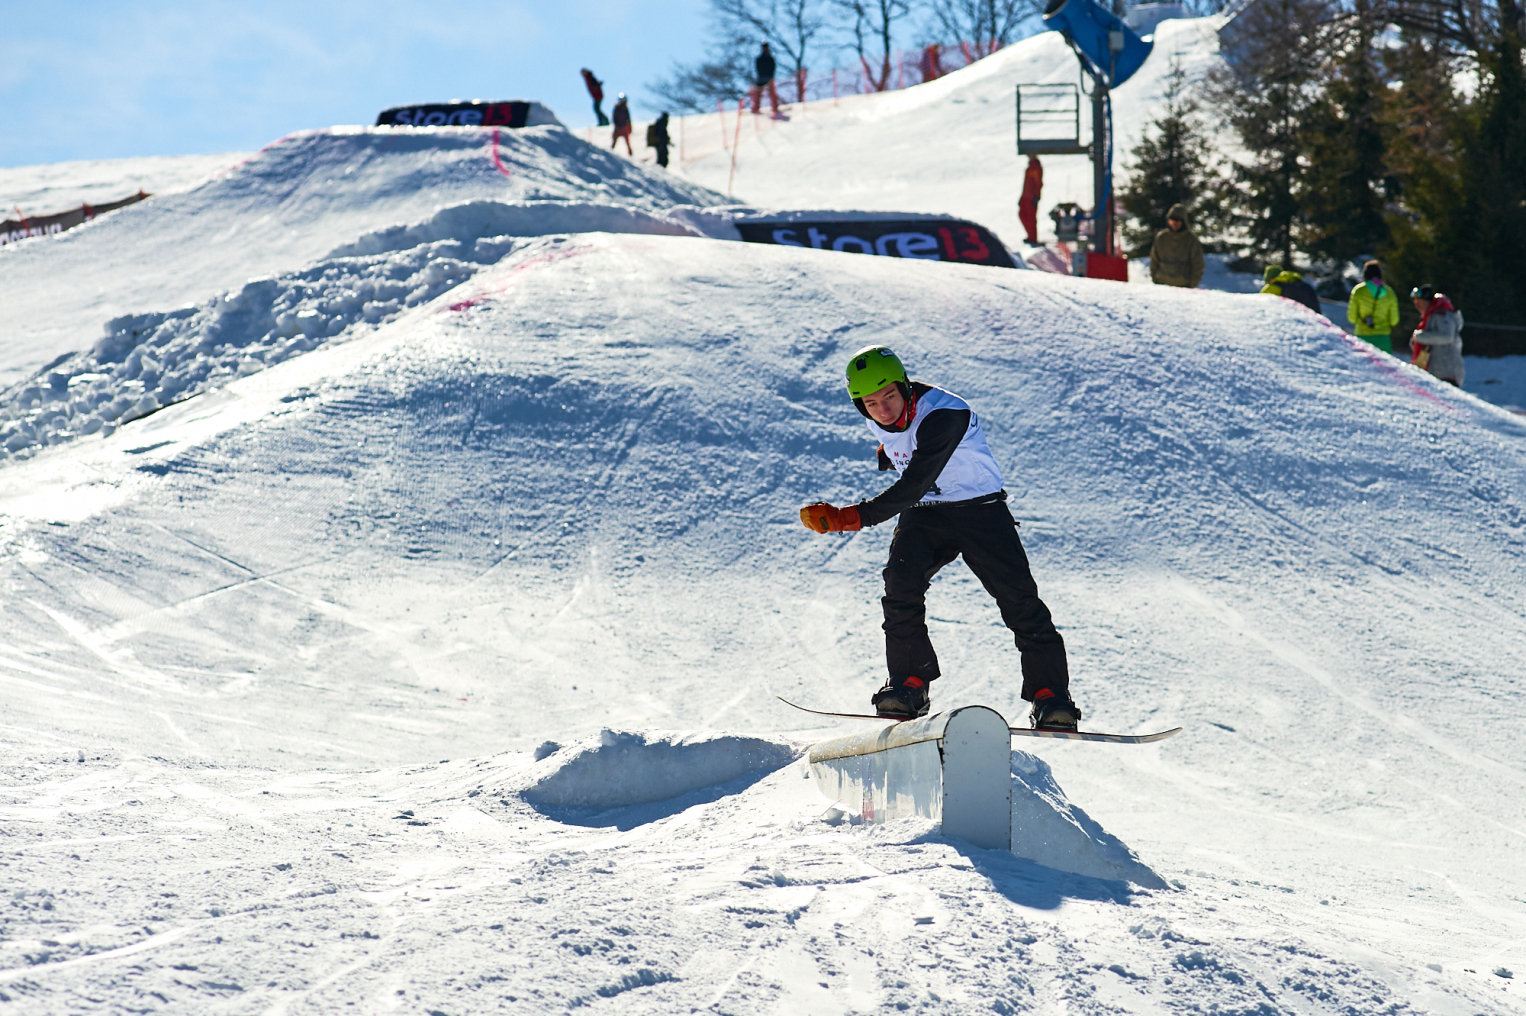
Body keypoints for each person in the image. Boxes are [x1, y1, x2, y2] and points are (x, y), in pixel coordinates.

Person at [798, 346, 1079, 730]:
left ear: (906, 387)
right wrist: (889, 451)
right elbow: (902, 449)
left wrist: (850, 517)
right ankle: (909, 685)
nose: (883, 410)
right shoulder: (879, 417)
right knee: (900, 587)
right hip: (928, 515)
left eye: (890, 397)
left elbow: (914, 483)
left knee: (1018, 599)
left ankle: (1051, 698)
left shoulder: (945, 415)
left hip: (981, 510)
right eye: (871, 403)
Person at [1409, 284, 1465, 385]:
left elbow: (1447, 337)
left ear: (1427, 301)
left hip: (1447, 372)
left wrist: (1420, 337)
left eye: (1419, 302)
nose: (1416, 305)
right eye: (1415, 302)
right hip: (1435, 372)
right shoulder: (1428, 318)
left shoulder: (1441, 315)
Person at [1346, 260, 1400, 351]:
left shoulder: (1358, 291)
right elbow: (1394, 321)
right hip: (1383, 339)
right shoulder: (1389, 292)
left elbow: (1351, 318)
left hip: (1362, 338)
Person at [1147, 203, 1205, 288]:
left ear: (1183, 222)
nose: (1174, 224)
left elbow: (1198, 264)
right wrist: (1155, 279)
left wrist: (1192, 284)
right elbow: (1154, 260)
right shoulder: (1161, 238)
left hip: (1183, 287)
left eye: (1177, 221)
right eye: (1172, 221)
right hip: (1162, 285)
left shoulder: (1191, 240)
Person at [1018, 155, 1043, 247]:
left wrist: (1036, 195)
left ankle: (1033, 238)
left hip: (1031, 197)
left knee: (1031, 218)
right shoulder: (1030, 167)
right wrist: (1022, 196)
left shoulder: (1036, 167)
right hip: (1026, 196)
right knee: (1022, 215)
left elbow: (1038, 182)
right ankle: (1030, 236)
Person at [752, 42, 780, 116]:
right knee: (760, 93)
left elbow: (772, 67)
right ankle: (756, 108)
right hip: (763, 77)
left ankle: (774, 107)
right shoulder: (764, 58)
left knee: (769, 93)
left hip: (766, 77)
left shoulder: (767, 58)